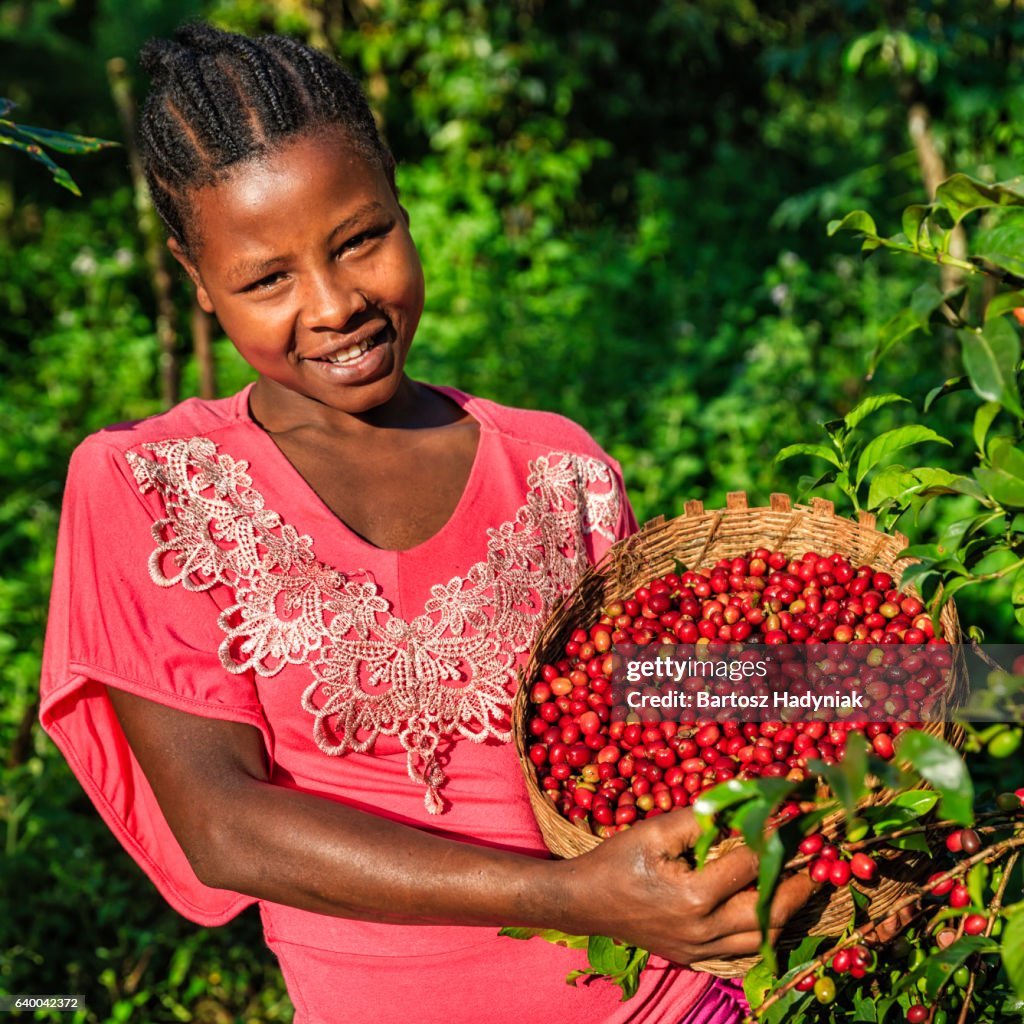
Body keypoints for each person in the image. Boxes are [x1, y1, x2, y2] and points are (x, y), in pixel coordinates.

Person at [39, 23, 812, 1024]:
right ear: (198, 281)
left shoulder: (556, 467)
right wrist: (568, 899)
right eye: (266, 279)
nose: (333, 305)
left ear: (401, 206)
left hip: (667, 1003)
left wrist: (921, 671)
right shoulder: (152, 485)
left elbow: (645, 698)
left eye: (361, 238)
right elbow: (226, 827)